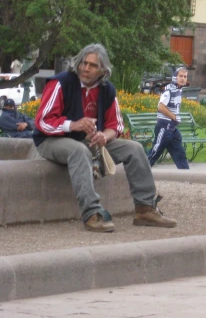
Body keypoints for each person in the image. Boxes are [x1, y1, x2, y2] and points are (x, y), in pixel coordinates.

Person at [33, 44, 177, 233]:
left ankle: (145, 209)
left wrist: (104, 136)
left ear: (103, 70)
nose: (85, 68)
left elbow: (115, 125)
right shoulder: (61, 83)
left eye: (92, 65)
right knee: (79, 150)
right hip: (51, 141)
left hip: (88, 140)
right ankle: (91, 213)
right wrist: (73, 125)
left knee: (134, 149)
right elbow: (43, 122)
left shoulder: (107, 90)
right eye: (83, 63)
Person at [147, 67, 190, 170]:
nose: (183, 79)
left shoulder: (179, 90)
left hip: (172, 129)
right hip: (164, 127)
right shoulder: (169, 90)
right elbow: (161, 107)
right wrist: (174, 117)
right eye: (180, 76)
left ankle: (186, 176)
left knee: (180, 153)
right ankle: (139, 173)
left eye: (185, 76)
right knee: (154, 153)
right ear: (175, 77)